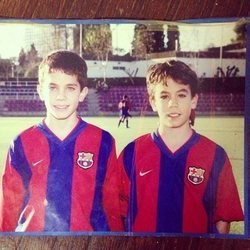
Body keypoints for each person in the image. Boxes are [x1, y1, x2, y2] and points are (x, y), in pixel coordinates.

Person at [0, 50, 123, 232]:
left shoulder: (102, 141)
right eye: (53, 87)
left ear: (82, 93)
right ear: (40, 91)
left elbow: (112, 204)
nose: (61, 96)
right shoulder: (22, 142)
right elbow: (9, 206)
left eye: (70, 88)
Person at [118, 60, 244, 234]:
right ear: (153, 102)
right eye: (164, 96)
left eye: (181, 95)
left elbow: (222, 219)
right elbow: (118, 213)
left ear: (194, 100)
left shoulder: (215, 154)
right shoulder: (131, 153)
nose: (173, 103)